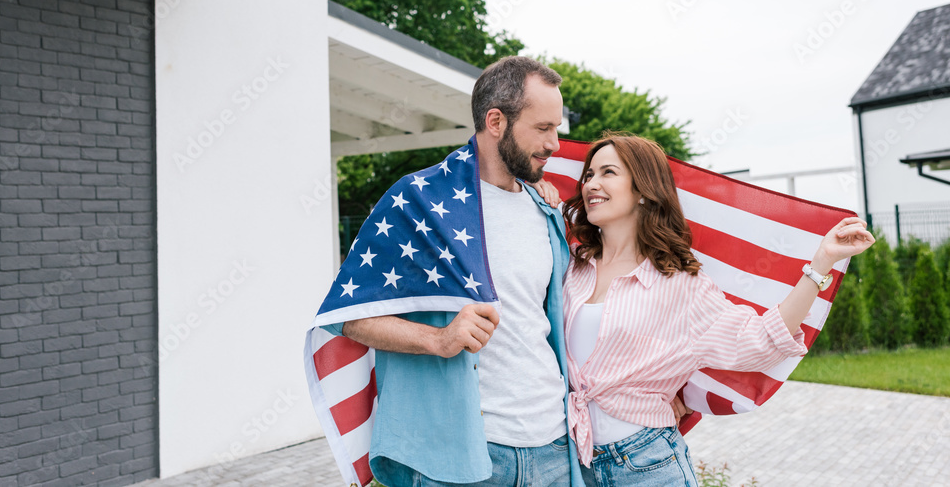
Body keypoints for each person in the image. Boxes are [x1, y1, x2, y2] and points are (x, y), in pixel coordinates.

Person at [534, 133, 874, 487]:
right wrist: (534, 190)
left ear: (642, 191)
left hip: (647, 464)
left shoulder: (679, 284)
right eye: (588, 174)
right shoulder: (571, 265)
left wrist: (821, 264)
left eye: (608, 173)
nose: (592, 183)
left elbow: (758, 340)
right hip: (574, 461)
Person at [326, 56, 586, 486]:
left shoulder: (547, 209)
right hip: (462, 454)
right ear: (496, 120)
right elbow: (349, 315)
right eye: (543, 128)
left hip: (554, 447)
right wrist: (439, 339)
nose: (555, 144)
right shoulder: (416, 201)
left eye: (556, 128)